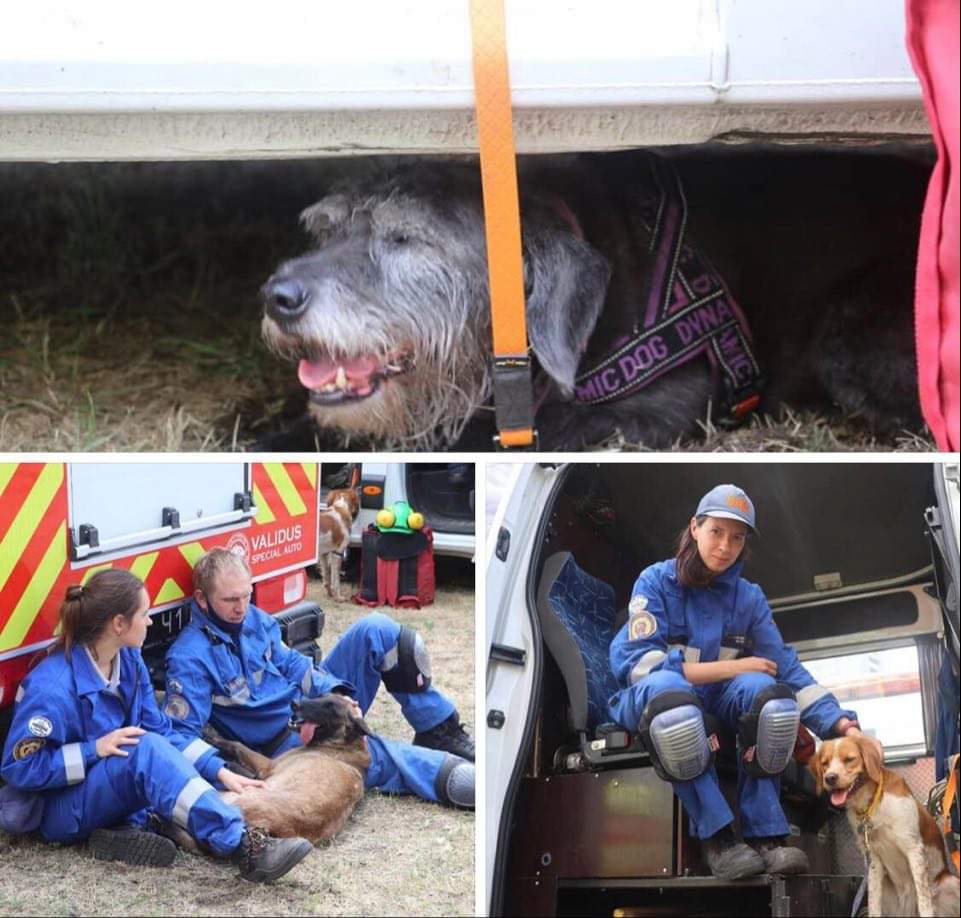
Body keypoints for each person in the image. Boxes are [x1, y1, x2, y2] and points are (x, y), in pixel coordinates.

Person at [608, 484, 874, 880]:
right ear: (694, 527)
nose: (725, 546)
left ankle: (767, 837)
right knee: (673, 703)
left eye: (737, 537)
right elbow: (641, 664)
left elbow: (783, 666)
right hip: (651, 697)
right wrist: (735, 667)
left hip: (714, 701)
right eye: (716, 532)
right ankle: (716, 837)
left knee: (773, 700)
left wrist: (842, 724)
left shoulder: (748, 598)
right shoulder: (655, 582)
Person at [0, 569, 313, 882]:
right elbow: (19, 767)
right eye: (144, 614)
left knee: (152, 750)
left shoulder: (130, 660)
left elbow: (160, 728)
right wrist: (92, 750)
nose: (150, 621)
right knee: (145, 752)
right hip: (58, 810)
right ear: (119, 624)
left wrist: (218, 770)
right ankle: (244, 847)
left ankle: (126, 827)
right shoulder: (52, 688)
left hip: (101, 789)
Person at [163, 548, 474, 810]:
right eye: (230, 600)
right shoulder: (189, 658)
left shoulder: (254, 619)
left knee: (378, 629)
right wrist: (217, 769)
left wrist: (336, 694)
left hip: (314, 709)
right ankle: (453, 778)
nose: (241, 608)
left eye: (246, 595)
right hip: (287, 743)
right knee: (371, 756)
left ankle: (437, 727)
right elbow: (178, 735)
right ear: (202, 600)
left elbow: (295, 665)